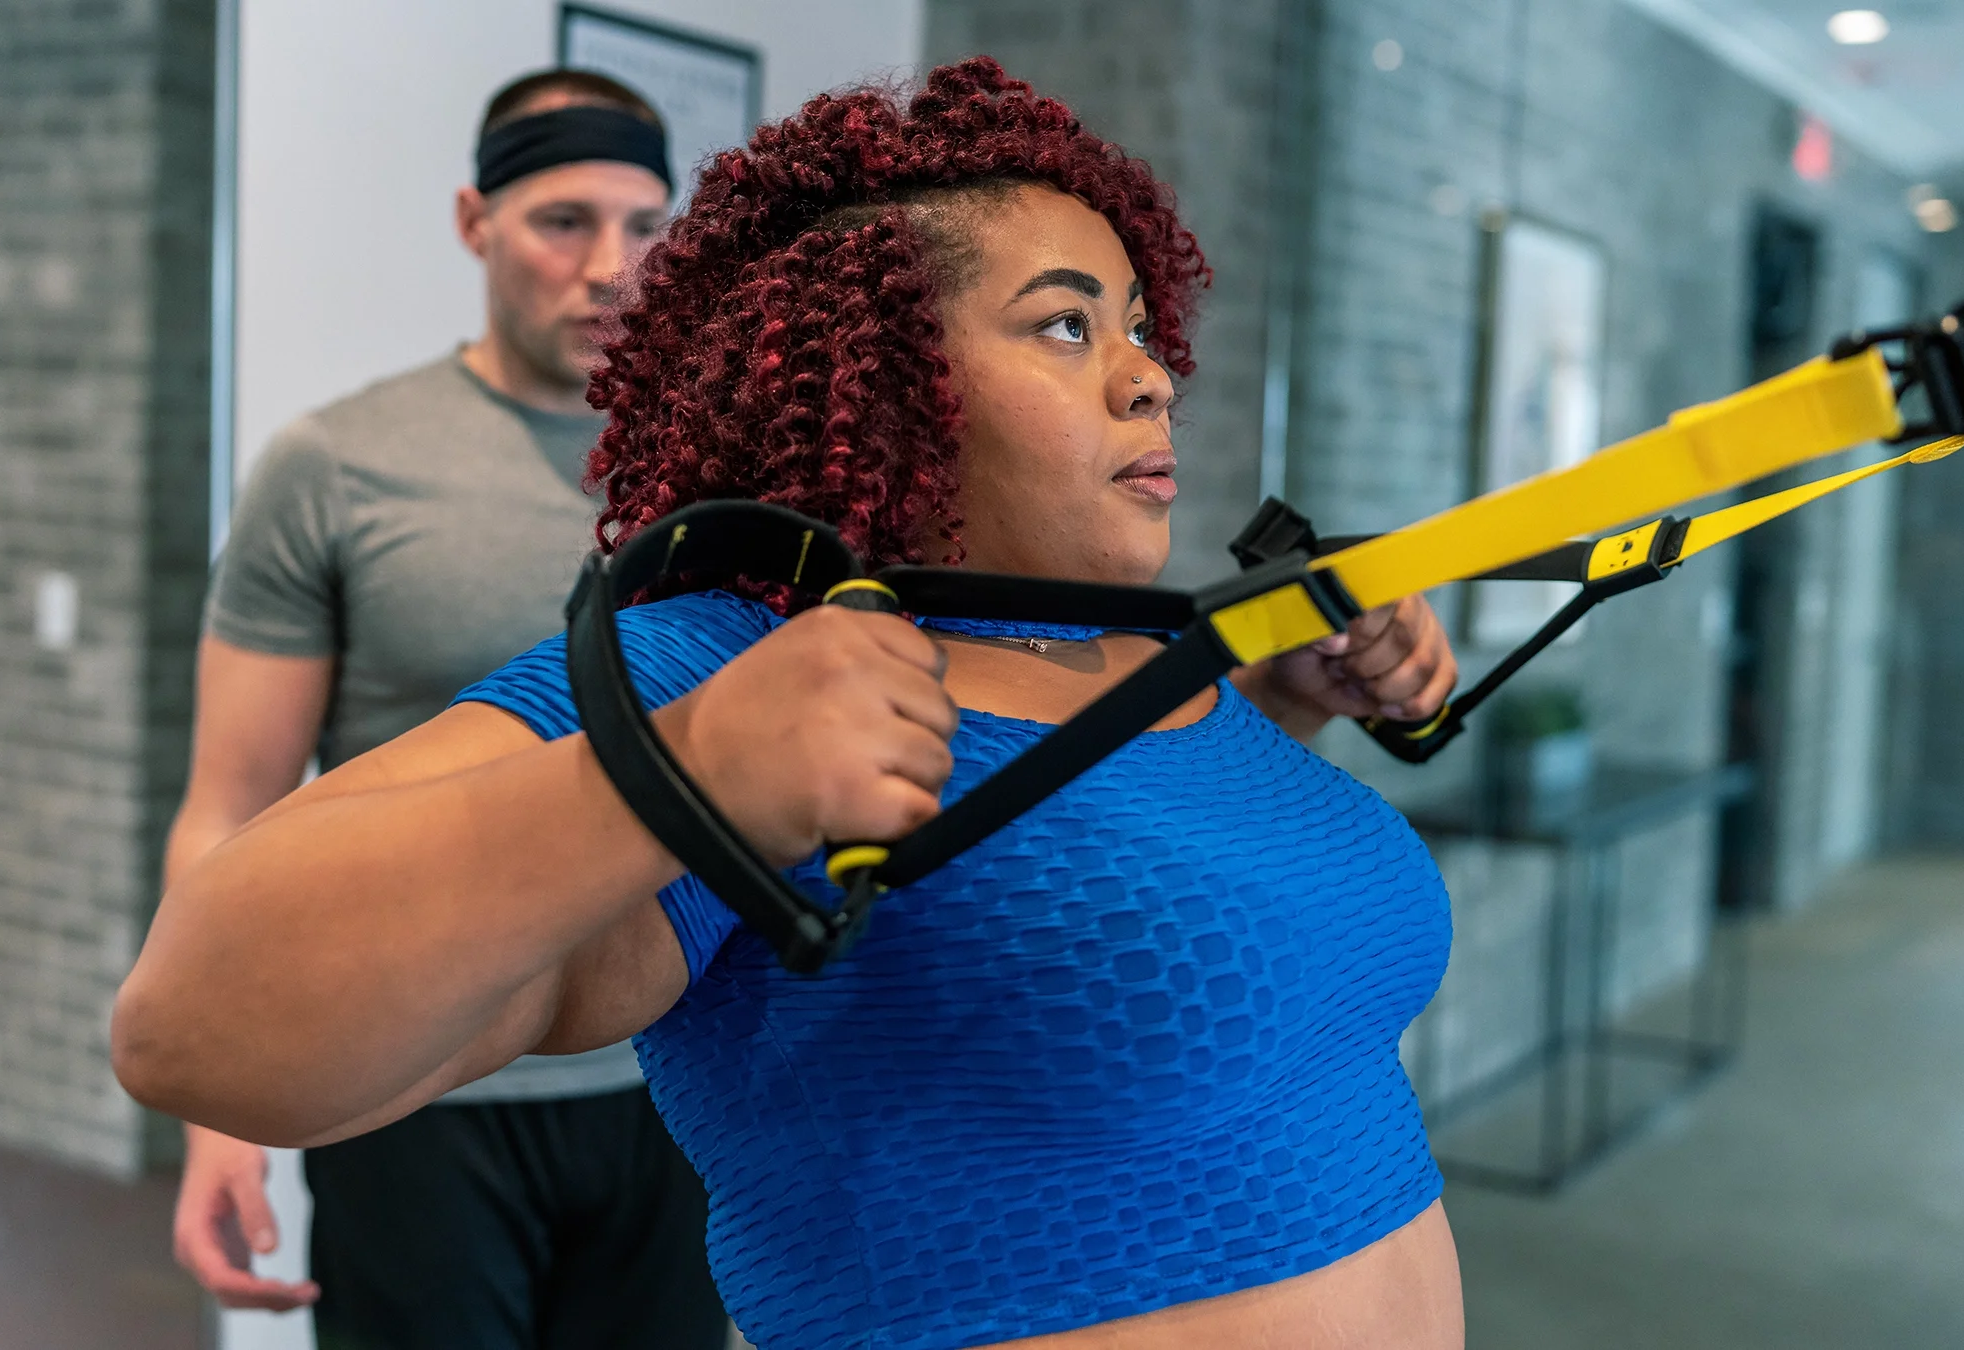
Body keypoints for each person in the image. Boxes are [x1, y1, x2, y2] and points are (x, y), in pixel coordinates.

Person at [120, 58, 1464, 1349]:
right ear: (892, 388)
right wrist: (688, 768)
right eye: (1066, 323)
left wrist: (1283, 710)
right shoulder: (737, 662)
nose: (1150, 373)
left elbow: (1118, 936)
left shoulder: (1140, 659)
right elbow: (188, 1024)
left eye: (1135, 325)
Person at [164, 67, 727, 1349]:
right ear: (477, 223)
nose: (610, 269)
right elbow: (228, 809)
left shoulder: (715, 479)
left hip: (678, 1077)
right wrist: (218, 1105)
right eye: (562, 221)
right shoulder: (338, 467)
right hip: (413, 1088)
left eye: (645, 227)